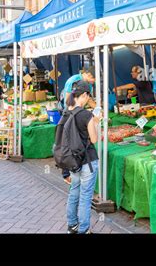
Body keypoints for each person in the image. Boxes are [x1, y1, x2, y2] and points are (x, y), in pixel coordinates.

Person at [65, 81, 101, 234]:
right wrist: (95, 122)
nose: (88, 99)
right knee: (85, 197)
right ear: (84, 95)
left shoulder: (66, 112)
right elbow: (93, 139)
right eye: (88, 96)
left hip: (73, 160)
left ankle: (72, 226)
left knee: (74, 192)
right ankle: (84, 229)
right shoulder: (86, 115)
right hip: (87, 161)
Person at [61, 67, 97, 185]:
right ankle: (67, 174)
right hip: (69, 115)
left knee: (79, 141)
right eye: (92, 77)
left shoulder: (89, 86)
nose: (93, 80)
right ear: (86, 74)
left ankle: (77, 169)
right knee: (69, 142)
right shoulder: (73, 80)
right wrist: (77, 112)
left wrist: (98, 109)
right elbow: (68, 100)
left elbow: (89, 100)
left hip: (80, 115)